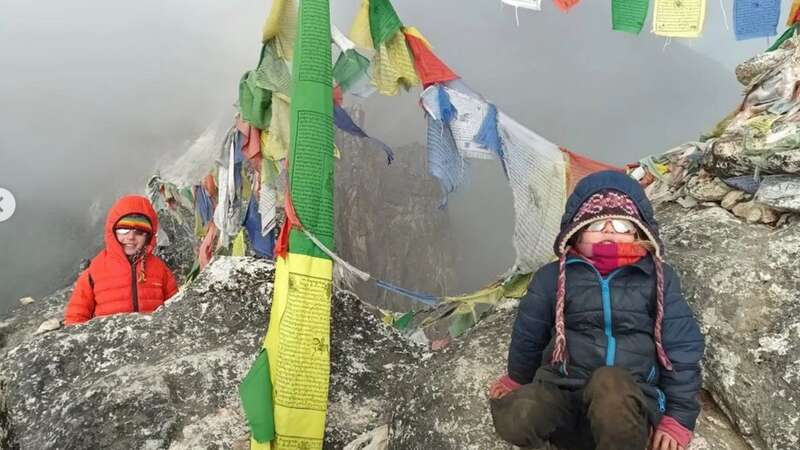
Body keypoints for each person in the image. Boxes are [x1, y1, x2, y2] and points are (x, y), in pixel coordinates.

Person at [489, 171, 704, 450]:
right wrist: (517, 377)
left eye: (622, 225)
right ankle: (563, 440)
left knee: (609, 381)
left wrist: (679, 417)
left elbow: (681, 348)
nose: (610, 231)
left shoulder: (656, 278)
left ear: (638, 232)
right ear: (578, 230)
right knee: (518, 413)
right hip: (563, 390)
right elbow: (529, 334)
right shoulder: (553, 277)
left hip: (627, 401)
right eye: (598, 222)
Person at [64, 195, 178, 325]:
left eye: (139, 232)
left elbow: (175, 308)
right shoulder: (95, 271)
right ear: (113, 231)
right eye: (124, 230)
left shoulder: (160, 269)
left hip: (151, 342)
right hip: (111, 344)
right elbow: (76, 315)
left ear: (149, 236)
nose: (131, 237)